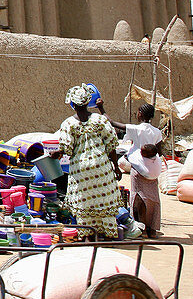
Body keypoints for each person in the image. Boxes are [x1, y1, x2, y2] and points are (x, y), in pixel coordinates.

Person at [51, 84, 122, 238]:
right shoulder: (100, 120)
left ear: (73, 104)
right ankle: (109, 235)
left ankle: (88, 237)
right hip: (102, 168)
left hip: (81, 170)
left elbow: (66, 149)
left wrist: (56, 153)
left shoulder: (68, 124)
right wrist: (116, 167)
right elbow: (111, 144)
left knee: (84, 203)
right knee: (104, 201)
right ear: (87, 102)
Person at [101, 102, 165, 237]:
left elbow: (111, 122)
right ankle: (152, 229)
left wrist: (101, 107)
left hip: (138, 168)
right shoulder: (157, 132)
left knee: (137, 198)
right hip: (153, 170)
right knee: (153, 198)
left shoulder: (137, 129)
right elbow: (159, 151)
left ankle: (139, 228)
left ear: (140, 114)